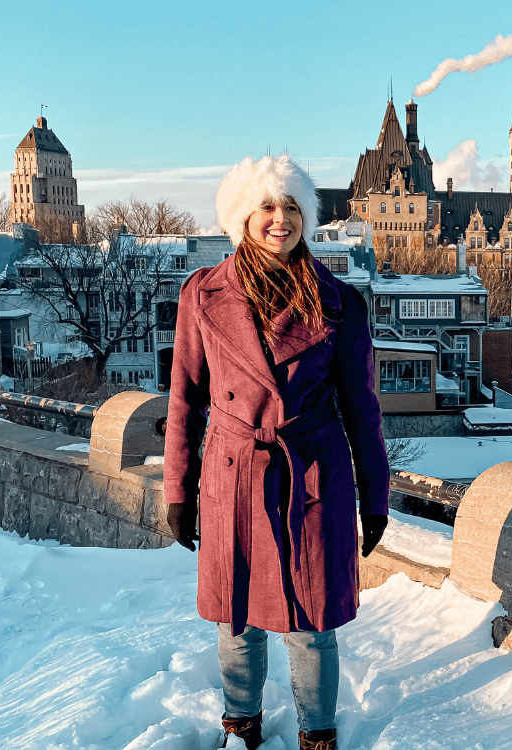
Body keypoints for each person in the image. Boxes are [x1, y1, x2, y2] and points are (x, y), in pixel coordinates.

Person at [164, 154, 390, 750]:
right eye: (267, 206)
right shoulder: (202, 295)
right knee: (236, 615)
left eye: (291, 207)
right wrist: (178, 491)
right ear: (242, 217)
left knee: (312, 618)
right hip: (234, 470)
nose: (279, 219)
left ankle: (318, 733)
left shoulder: (340, 303)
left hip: (312, 471)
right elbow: (185, 398)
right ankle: (241, 725)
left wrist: (377, 497)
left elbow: (362, 409)